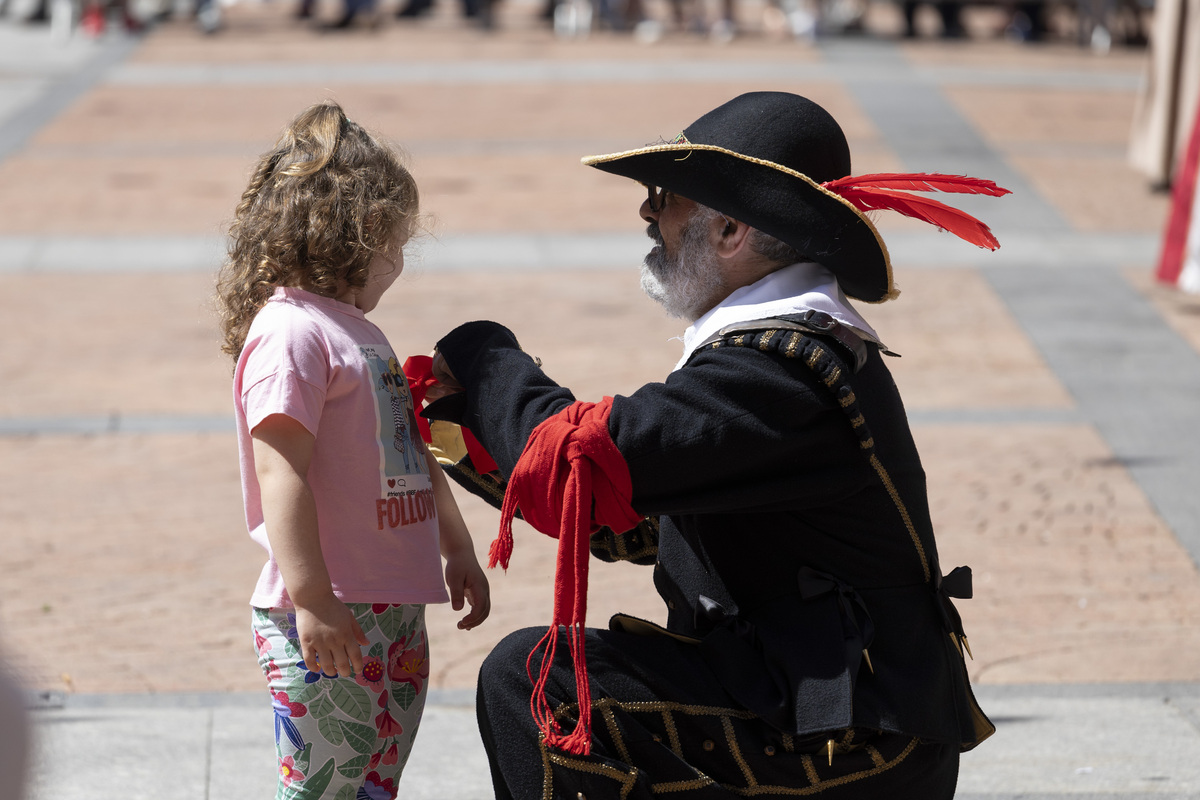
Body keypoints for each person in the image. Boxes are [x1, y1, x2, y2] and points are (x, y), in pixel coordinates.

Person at [416, 92, 1005, 799]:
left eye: (664, 196)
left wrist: (483, 356)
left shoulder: (784, 368)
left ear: (730, 229)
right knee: (555, 677)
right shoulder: (775, 351)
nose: (647, 214)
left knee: (537, 681)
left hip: (858, 739)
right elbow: (627, 524)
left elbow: (578, 457)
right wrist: (453, 411)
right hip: (801, 703)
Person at [215, 101, 490, 799]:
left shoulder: (358, 334)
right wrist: (312, 599)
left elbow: (411, 454)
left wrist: (455, 547)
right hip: (327, 611)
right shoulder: (292, 334)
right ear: (361, 235)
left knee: (372, 785)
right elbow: (282, 474)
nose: (399, 261)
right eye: (397, 241)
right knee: (322, 786)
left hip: (392, 608)